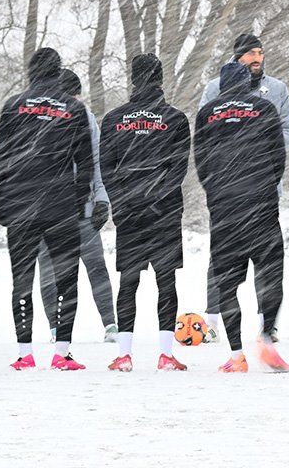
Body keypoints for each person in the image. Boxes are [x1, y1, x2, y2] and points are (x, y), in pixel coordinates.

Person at [0, 48, 94, 371]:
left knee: (21, 279)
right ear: (58, 71)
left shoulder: (12, 106)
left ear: (31, 71)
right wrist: (78, 202)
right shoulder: (74, 109)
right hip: (60, 204)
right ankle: (62, 351)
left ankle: (24, 353)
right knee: (66, 279)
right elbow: (86, 163)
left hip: (21, 204)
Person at [199, 33, 289, 343]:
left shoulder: (277, 89)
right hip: (225, 192)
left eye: (260, 52)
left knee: (265, 260)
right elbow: (203, 141)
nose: (257, 58)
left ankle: (265, 324)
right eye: (250, 54)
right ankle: (213, 317)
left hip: (263, 187)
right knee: (222, 260)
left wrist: (260, 158)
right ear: (237, 57)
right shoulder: (214, 89)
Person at [100, 54, 192, 371]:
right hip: (164, 212)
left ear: (133, 79)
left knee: (129, 281)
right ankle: (166, 354)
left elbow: (106, 169)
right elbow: (178, 168)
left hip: (129, 214)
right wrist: (156, 197)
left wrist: (123, 202)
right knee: (166, 282)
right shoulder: (176, 119)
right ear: (161, 79)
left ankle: (124, 354)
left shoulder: (113, 119)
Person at [37, 68, 117, 342]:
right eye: (72, 96)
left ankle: (110, 325)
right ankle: (55, 328)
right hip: (45, 211)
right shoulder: (35, 120)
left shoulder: (87, 119)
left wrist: (102, 200)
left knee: (96, 266)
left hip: (81, 208)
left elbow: (96, 162)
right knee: (49, 270)